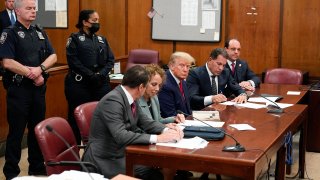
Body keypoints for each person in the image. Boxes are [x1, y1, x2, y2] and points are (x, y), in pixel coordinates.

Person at [82, 65, 183, 179]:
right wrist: (158, 138)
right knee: (153, 171)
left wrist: (168, 130)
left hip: (121, 153)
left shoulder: (129, 98)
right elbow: (121, 135)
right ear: (141, 87)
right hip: (105, 159)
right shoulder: (113, 100)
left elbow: (146, 122)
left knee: (157, 166)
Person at [0, 0, 57, 179]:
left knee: (36, 129)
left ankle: (36, 166)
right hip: (19, 90)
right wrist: (31, 73)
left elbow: (53, 56)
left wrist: (40, 69)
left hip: (38, 90)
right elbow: (7, 62)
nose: (33, 11)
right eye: (29, 8)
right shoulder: (9, 33)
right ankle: (11, 172)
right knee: (16, 133)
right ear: (17, 11)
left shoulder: (39, 31)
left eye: (34, 8)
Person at [65, 10, 115, 144]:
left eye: (98, 20)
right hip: (80, 85)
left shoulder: (101, 39)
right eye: (94, 20)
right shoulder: (74, 39)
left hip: (100, 84)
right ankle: (75, 155)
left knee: (102, 117)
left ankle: (100, 149)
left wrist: (100, 74)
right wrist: (90, 75)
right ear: (85, 22)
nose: (97, 23)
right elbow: (73, 61)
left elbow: (111, 60)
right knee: (76, 118)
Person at [158, 52, 195, 118]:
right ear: (171, 66)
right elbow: (169, 114)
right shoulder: (165, 84)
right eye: (182, 65)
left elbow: (187, 109)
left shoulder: (182, 81)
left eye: (188, 66)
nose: (185, 70)